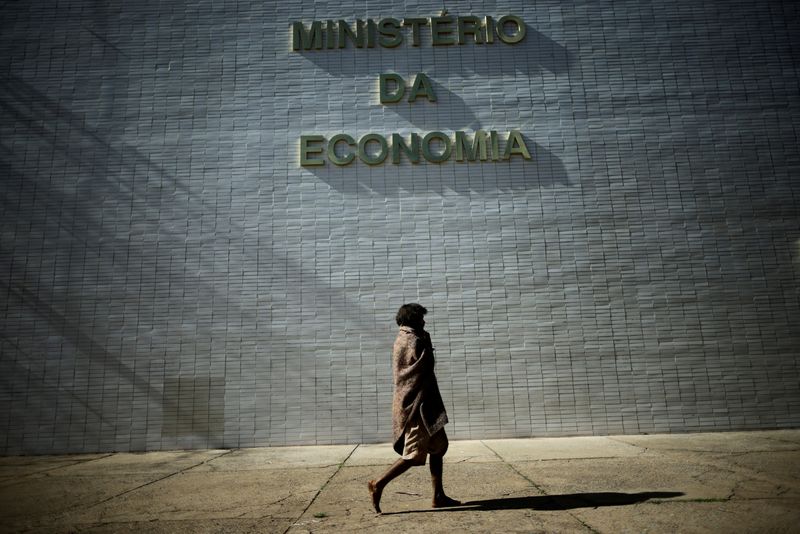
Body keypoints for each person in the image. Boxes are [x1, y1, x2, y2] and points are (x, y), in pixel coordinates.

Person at [368, 303, 461, 514]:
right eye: (421, 318)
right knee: (413, 454)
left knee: (439, 447)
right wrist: (426, 343)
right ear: (412, 319)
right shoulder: (413, 339)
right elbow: (421, 368)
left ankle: (438, 495)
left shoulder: (405, 337)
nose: (424, 321)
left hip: (425, 404)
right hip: (418, 407)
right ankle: (378, 484)